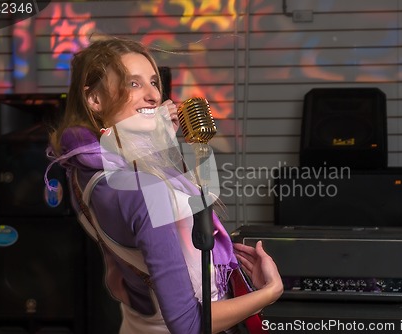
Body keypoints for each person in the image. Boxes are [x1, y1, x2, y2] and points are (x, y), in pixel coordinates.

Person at [45, 35, 283, 334]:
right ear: (95, 98)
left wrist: (161, 147)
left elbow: (192, 210)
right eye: (133, 84)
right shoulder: (142, 188)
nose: (154, 96)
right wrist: (268, 292)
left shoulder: (88, 168)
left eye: (154, 82)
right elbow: (189, 325)